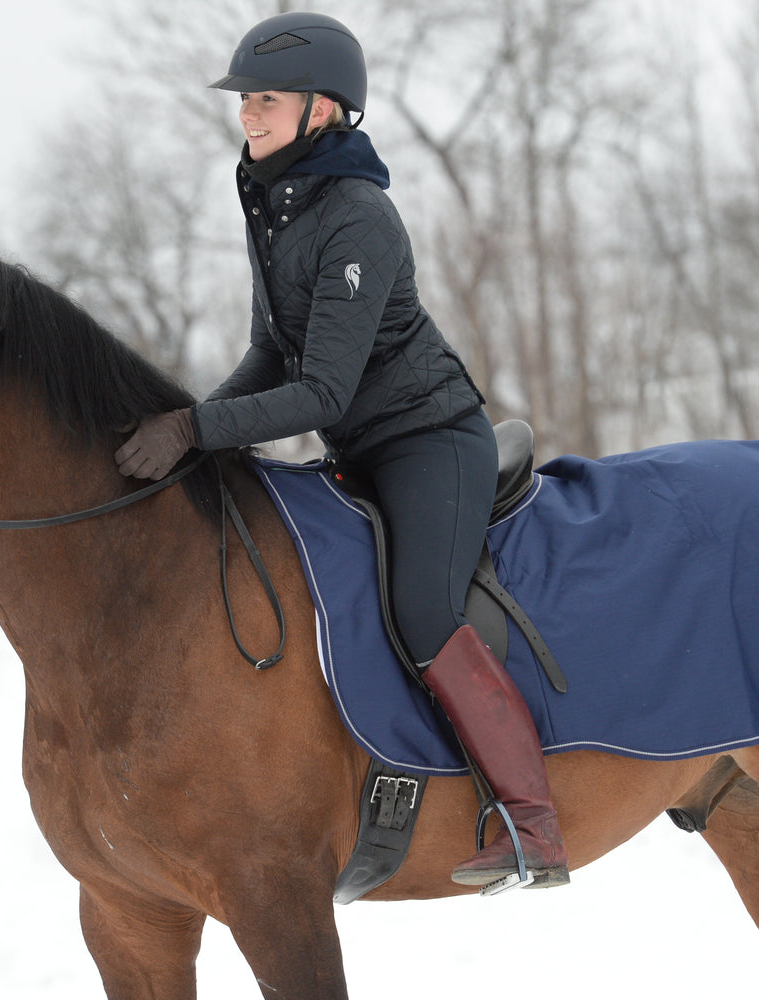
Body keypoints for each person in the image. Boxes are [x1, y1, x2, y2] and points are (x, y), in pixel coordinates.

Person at [115, 12, 568, 892]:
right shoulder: (268, 197)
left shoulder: (359, 215)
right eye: (246, 99)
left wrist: (198, 431)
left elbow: (320, 391)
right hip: (357, 446)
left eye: (267, 100)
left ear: (322, 110)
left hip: (428, 440)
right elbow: (270, 350)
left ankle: (533, 824)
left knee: (423, 612)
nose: (249, 114)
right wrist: (191, 424)